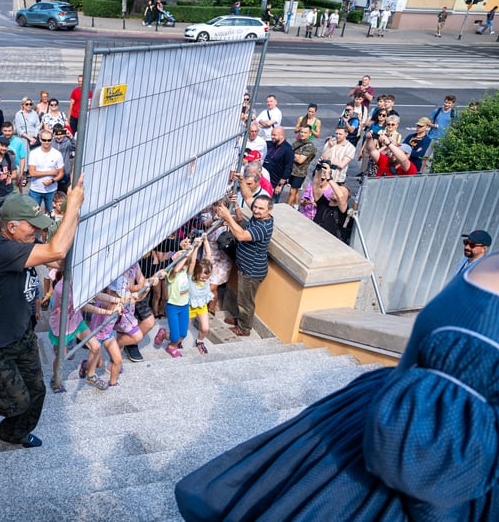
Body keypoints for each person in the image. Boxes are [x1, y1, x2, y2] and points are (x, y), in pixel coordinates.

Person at [177, 252, 499, 522]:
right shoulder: (487, 294)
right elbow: (425, 473)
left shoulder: (485, 270)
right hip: (407, 448)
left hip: (395, 436)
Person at [0, 177, 85, 448]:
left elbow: (58, 257)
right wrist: (72, 208)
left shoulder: (16, 244)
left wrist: (75, 216)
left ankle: (13, 434)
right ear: (12, 227)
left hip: (20, 333)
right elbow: (57, 249)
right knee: (15, 401)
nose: (37, 233)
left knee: (36, 391)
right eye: (32, 228)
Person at [217, 186, 274, 338]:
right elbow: (248, 197)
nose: (256, 210)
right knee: (242, 298)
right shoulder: (260, 216)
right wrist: (241, 181)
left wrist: (227, 217)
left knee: (245, 302)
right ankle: (241, 319)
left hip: (251, 272)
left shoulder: (262, 227)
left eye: (261, 208)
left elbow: (241, 235)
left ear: (269, 211)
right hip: (247, 267)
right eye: (255, 207)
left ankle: (244, 328)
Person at [153, 241, 193, 357]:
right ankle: (162, 336)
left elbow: (190, 262)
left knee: (183, 334)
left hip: (184, 306)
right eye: (182, 263)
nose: (184, 266)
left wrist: (191, 249)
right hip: (173, 307)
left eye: (185, 264)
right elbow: (176, 269)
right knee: (175, 336)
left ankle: (171, 346)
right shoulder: (172, 273)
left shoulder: (184, 270)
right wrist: (184, 255)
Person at [187, 238, 214, 356]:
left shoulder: (206, 271)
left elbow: (209, 254)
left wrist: (205, 240)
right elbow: (192, 262)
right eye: (202, 277)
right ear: (197, 273)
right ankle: (178, 342)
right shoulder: (191, 276)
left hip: (202, 305)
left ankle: (200, 341)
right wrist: (196, 247)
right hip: (190, 306)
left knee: (205, 328)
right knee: (184, 330)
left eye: (206, 278)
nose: (204, 280)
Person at [26, 132, 64, 212]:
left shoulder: (57, 154)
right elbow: (32, 173)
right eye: (44, 140)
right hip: (35, 190)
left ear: (52, 140)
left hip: (51, 190)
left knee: (52, 214)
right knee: (33, 214)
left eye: (49, 140)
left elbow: (61, 173)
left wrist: (52, 181)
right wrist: (50, 172)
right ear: (40, 140)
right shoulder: (34, 153)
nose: (46, 142)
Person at [312, 163, 349, 240]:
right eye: (335, 189)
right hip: (314, 236)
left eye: (339, 191)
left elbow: (340, 198)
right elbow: (315, 185)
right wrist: (319, 169)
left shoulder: (343, 211)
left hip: (329, 243)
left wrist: (329, 178)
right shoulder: (323, 203)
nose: (336, 192)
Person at [287, 124, 317, 209]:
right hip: (292, 170)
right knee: (295, 191)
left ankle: (286, 208)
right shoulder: (297, 143)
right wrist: (296, 155)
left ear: (310, 134)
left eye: (305, 132)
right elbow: (289, 153)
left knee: (292, 192)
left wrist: (294, 155)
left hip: (300, 173)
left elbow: (300, 160)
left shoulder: (310, 146)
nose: (302, 134)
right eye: (301, 132)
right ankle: (296, 206)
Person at [262, 125, 293, 199]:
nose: (272, 137)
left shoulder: (288, 150)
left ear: (281, 135)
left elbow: (288, 169)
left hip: (275, 183)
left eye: (274, 135)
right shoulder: (271, 144)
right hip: (265, 180)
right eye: (271, 135)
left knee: (272, 204)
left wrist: (280, 185)